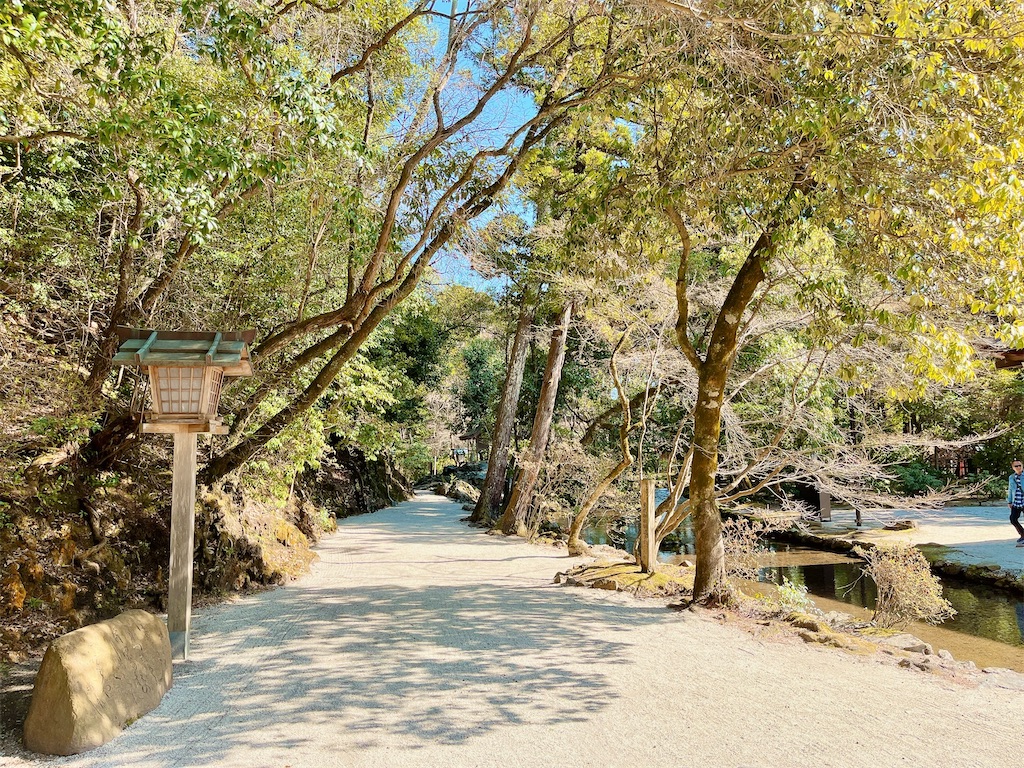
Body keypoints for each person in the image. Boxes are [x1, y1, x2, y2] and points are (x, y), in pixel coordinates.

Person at [1006, 459, 1024, 547]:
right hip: (1016, 501)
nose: (1018, 467)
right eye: (1016, 466)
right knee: (1013, 519)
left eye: (1020, 465)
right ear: (1013, 468)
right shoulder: (1011, 477)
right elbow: (1010, 490)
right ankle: (1023, 535)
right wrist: (1009, 501)